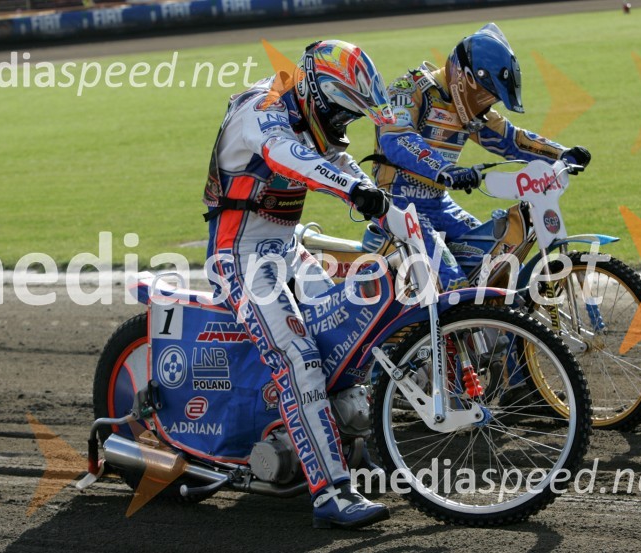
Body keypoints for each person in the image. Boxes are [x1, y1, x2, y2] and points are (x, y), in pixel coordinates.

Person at [202, 39, 394, 529]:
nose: (343, 126)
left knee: (352, 332)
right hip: (240, 258)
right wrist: (353, 190)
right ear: (315, 92)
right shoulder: (262, 108)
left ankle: (356, 450)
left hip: (287, 250)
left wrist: (392, 207)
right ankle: (331, 493)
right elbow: (289, 156)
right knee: (298, 358)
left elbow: (338, 162)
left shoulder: (308, 109)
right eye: (341, 114)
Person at [367, 23, 591, 289]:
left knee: (495, 263)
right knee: (455, 284)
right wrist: (444, 169)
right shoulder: (408, 90)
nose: (486, 105)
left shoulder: (470, 109)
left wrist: (561, 153)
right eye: (485, 95)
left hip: (440, 204)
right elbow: (396, 138)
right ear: (464, 78)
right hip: (397, 205)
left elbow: (511, 140)